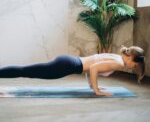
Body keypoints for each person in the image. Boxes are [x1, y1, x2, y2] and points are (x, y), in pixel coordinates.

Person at [0, 45, 145, 96]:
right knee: (25, 71)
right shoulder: (119, 63)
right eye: (135, 65)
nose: (133, 68)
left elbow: (92, 67)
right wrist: (96, 90)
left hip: (69, 62)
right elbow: (93, 68)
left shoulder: (116, 56)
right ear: (132, 58)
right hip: (67, 66)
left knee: (26, 71)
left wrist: (92, 86)